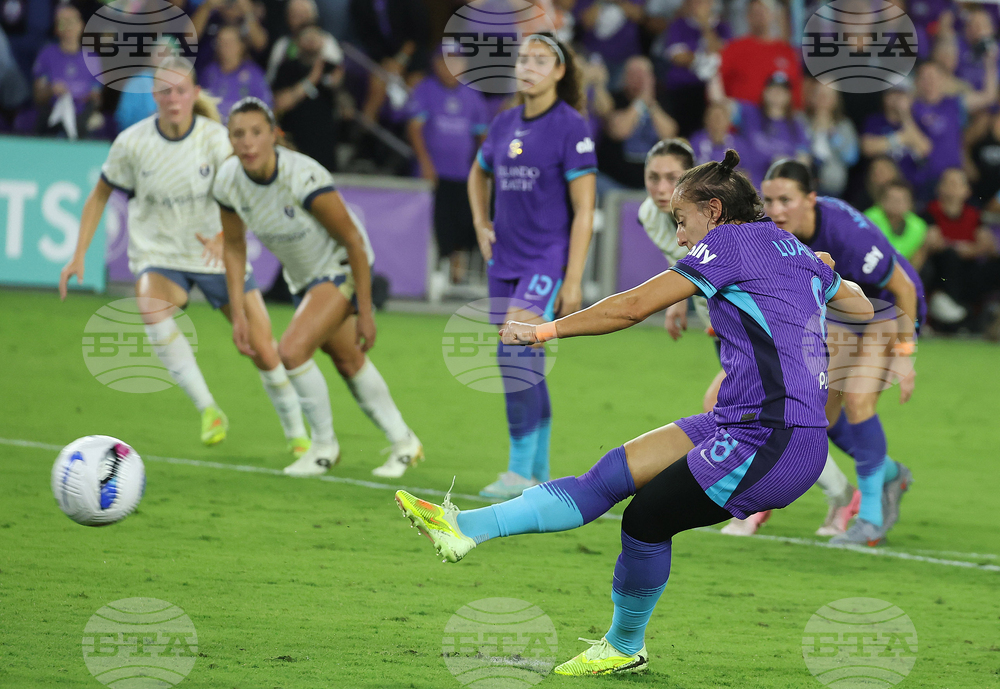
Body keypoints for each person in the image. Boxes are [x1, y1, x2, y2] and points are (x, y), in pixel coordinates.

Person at [396, 149, 873, 675]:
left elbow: (630, 307)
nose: (681, 235)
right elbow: (861, 307)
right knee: (611, 474)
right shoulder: (792, 248)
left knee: (645, 519)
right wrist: (827, 273)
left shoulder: (728, 244)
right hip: (741, 423)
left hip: (774, 441)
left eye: (682, 221)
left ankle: (624, 647)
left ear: (714, 211)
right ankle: (464, 528)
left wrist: (544, 330)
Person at [58, 56, 311, 456]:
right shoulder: (133, 143)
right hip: (161, 254)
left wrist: (221, 234)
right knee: (150, 305)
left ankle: (298, 433)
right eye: (164, 91)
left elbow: (251, 190)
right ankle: (209, 409)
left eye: (180, 90)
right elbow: (100, 193)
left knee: (262, 348)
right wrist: (78, 255)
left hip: (215, 256)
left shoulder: (215, 139)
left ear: (194, 94)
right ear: (154, 95)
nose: (173, 98)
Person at [215, 97, 425, 478]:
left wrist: (365, 311)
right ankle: (405, 442)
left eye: (256, 133)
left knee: (291, 351)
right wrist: (238, 314)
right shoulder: (227, 180)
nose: (247, 143)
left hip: (342, 266)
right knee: (348, 360)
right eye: (238, 134)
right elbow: (232, 246)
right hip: (306, 279)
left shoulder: (303, 176)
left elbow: (354, 242)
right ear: (229, 139)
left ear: (274, 135)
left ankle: (324, 448)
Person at [760, 159, 924, 545]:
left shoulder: (847, 234)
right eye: (769, 200)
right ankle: (887, 473)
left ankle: (869, 519)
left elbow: (902, 287)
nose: (776, 209)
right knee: (822, 416)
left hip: (890, 308)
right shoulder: (769, 231)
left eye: (786, 199)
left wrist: (904, 354)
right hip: (845, 314)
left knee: (858, 399)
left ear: (811, 199)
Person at [468, 33, 597, 499]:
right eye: (523, 58)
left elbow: (585, 209)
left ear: (560, 71)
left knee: (513, 351)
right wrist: (482, 223)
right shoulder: (503, 124)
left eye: (540, 59)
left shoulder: (571, 127)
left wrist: (575, 277)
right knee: (528, 359)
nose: (528, 66)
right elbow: (477, 171)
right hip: (504, 260)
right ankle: (539, 470)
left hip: (545, 259)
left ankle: (518, 473)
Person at [406, 48, 488, 284]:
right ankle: (428, 274)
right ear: (436, 64)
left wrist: (480, 166)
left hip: (462, 173)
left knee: (462, 223)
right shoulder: (425, 89)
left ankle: (456, 276)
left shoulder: (472, 94)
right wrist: (425, 163)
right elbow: (414, 128)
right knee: (433, 223)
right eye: (446, 62)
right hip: (434, 173)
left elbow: (481, 134)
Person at [925, 168, 1000, 330]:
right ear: (939, 188)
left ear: (967, 191)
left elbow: (987, 244)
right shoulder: (929, 212)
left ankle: (983, 315)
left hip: (968, 272)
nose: (953, 187)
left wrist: (965, 249)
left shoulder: (974, 215)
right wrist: (964, 248)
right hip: (942, 273)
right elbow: (934, 243)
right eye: (949, 183)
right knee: (949, 256)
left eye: (958, 183)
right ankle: (954, 313)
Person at [596, 55, 678, 190]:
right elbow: (619, 131)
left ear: (651, 78)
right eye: (632, 74)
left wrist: (651, 104)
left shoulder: (662, 100)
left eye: (642, 74)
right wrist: (640, 103)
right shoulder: (615, 98)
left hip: (651, 184)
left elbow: (669, 134)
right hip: (613, 182)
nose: (637, 78)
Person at [272, 24, 345, 171]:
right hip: (294, 144)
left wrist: (338, 86)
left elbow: (346, 107)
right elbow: (280, 103)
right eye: (307, 37)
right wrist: (311, 80)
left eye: (315, 36)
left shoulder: (332, 68)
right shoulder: (287, 68)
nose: (311, 41)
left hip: (324, 146)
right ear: (298, 42)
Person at [652, 0, 729, 137]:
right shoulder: (678, 25)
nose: (696, 4)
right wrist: (704, 58)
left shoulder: (722, 27)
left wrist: (705, 26)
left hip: (711, 92)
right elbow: (677, 57)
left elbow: (721, 53)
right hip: (682, 90)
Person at [29, 4, 102, 137]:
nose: (68, 27)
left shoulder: (92, 59)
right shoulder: (46, 54)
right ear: (56, 28)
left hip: (81, 116)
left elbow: (97, 96)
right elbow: (38, 96)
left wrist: (83, 96)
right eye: (62, 23)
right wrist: (51, 90)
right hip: (51, 115)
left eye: (72, 22)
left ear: (81, 25)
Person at [718, 0, 803, 109]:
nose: (761, 16)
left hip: (779, 121)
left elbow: (796, 91)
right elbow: (720, 86)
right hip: (742, 121)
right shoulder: (733, 49)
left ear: (773, 15)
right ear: (748, 16)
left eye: (764, 11)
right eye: (756, 13)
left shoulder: (787, 52)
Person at [200, 25, 272, 121]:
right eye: (220, 42)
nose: (225, 47)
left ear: (241, 45)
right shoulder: (208, 73)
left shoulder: (254, 75)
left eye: (230, 42)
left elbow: (266, 109)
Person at [804, 81, 858, 198]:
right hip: (803, 184)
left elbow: (851, 158)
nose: (823, 99)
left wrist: (833, 135)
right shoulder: (801, 120)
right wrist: (812, 131)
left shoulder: (844, 125)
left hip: (831, 186)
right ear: (812, 97)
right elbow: (792, 147)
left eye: (828, 95)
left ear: (836, 100)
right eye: (819, 94)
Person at [865, 179, 929, 269]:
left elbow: (916, 261)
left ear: (910, 204)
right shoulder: (869, 219)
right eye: (892, 199)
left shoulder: (919, 226)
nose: (896, 203)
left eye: (901, 200)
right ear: (881, 200)